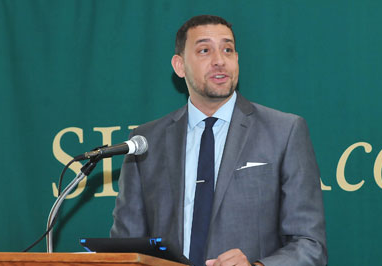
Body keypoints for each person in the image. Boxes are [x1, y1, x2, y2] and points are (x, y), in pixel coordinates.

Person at [110, 15, 327, 266]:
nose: (219, 61)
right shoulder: (147, 141)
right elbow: (126, 248)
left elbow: (310, 245)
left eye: (228, 49)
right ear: (179, 66)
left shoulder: (284, 131)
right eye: (204, 50)